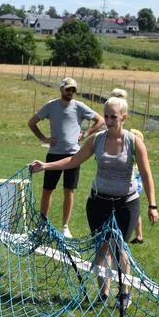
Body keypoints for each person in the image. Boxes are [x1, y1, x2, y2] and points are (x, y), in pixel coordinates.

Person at [29, 89, 159, 307]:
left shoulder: (134, 142)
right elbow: (73, 161)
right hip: (98, 202)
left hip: (126, 203)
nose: (108, 121)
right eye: (106, 116)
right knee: (101, 247)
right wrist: (46, 166)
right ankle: (103, 293)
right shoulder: (97, 140)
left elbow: (146, 175)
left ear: (124, 118)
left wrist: (152, 205)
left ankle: (124, 292)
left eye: (113, 117)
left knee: (119, 247)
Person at [27, 77, 105, 239]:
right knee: (47, 190)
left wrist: (85, 134)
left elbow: (100, 120)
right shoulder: (51, 105)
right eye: (68, 89)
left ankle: (65, 226)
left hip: (73, 156)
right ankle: (42, 224)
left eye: (73, 90)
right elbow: (32, 122)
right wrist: (43, 138)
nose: (70, 92)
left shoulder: (79, 107)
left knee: (69, 191)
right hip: (54, 154)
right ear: (61, 89)